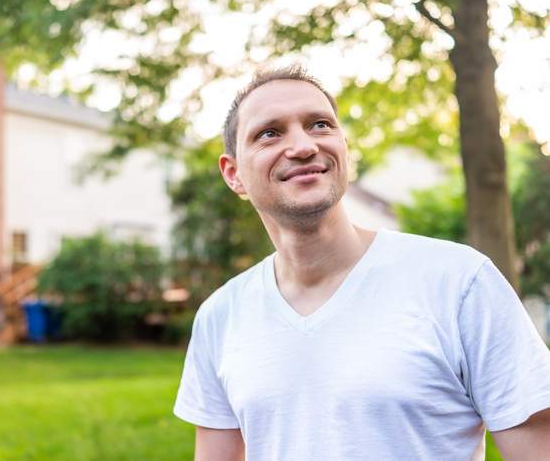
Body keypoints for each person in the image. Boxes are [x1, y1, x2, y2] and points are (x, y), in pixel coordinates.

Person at [173, 65, 550, 460]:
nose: (303, 146)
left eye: (319, 125)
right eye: (270, 133)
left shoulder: (459, 281)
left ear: (345, 150)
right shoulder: (220, 316)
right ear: (233, 174)